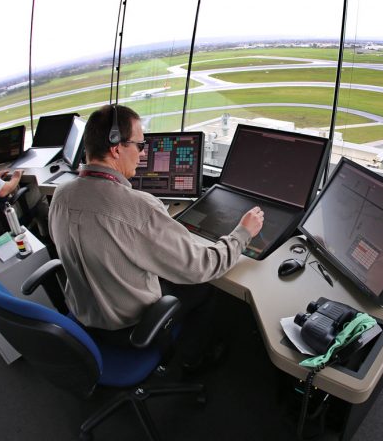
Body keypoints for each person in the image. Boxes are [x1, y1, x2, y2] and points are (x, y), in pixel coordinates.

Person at [48, 104, 264, 372]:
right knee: (206, 287)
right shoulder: (140, 208)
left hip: (83, 317)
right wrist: (243, 232)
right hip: (129, 328)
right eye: (139, 146)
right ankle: (193, 360)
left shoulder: (60, 195)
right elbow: (203, 266)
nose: (142, 154)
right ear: (116, 149)